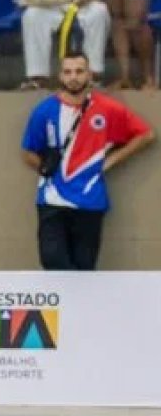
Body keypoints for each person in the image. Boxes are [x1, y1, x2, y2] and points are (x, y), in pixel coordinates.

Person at [21, 51, 155, 271]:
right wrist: (45, 168)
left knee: (84, 271)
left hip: (90, 201)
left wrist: (112, 160)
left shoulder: (108, 109)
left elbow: (146, 135)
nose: (73, 77)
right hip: (52, 200)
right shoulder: (44, 111)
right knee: (52, 263)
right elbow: (28, 152)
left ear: (89, 75)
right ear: (60, 76)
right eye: (68, 72)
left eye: (79, 71)